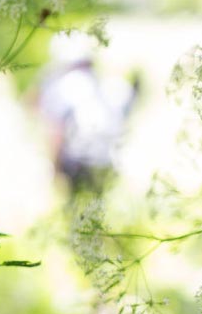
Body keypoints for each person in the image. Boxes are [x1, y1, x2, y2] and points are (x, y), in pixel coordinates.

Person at [35, 32, 139, 195]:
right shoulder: (108, 84)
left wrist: (54, 170)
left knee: (77, 215)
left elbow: (56, 132)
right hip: (107, 164)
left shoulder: (62, 86)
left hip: (76, 165)